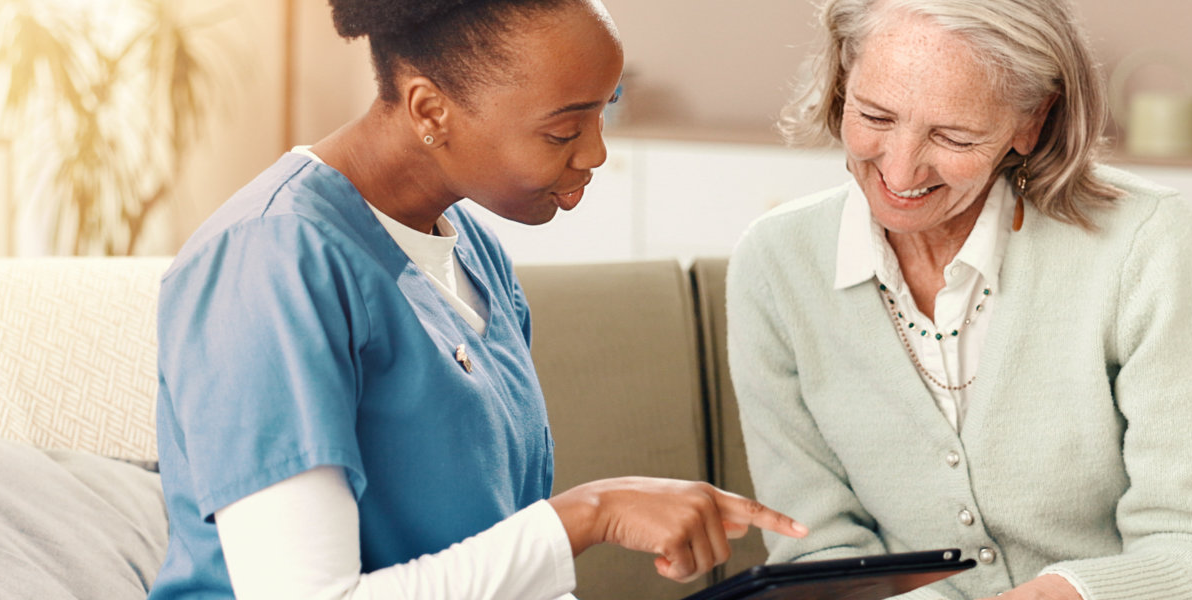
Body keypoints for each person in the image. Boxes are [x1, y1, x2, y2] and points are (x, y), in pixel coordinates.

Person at [148, 0, 805, 598]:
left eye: (602, 113)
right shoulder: (268, 262)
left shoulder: (474, 252)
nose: (597, 154)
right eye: (563, 132)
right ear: (431, 110)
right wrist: (590, 515)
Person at [726, 0, 1192, 599]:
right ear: (844, 81)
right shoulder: (775, 262)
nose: (899, 171)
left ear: (1031, 122)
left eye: (953, 135)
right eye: (874, 115)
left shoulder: (1144, 242)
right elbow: (817, 554)